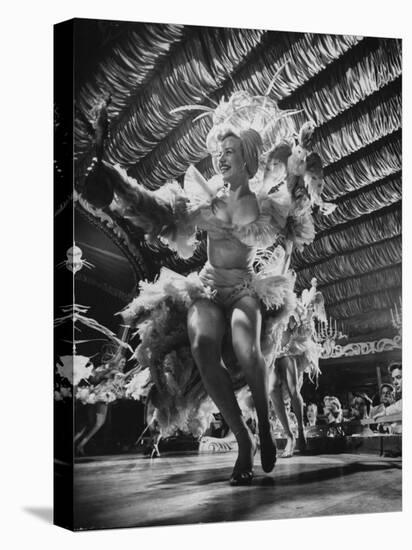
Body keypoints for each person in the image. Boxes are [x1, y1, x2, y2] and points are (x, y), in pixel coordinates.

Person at [92, 90, 330, 485]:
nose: (221, 157)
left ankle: (268, 430)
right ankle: (244, 439)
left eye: (230, 150)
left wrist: (301, 161)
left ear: (247, 158)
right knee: (202, 345)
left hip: (242, 289)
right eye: (219, 150)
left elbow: (297, 200)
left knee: (245, 345)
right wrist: (105, 161)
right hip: (205, 288)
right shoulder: (202, 197)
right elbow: (150, 206)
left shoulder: (266, 205)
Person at [269, 279, 326, 457]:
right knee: (272, 391)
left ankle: (300, 431)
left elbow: (300, 325)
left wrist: (305, 314)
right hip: (270, 352)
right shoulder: (265, 303)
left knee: (293, 388)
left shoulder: (291, 304)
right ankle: (289, 435)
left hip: (288, 350)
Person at [75, 356, 127, 455]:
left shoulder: (109, 371)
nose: (123, 364)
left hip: (95, 396)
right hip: (102, 397)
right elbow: (116, 387)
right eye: (122, 362)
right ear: (117, 362)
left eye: (124, 362)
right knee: (98, 423)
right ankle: (80, 445)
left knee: (90, 424)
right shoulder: (116, 372)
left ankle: (78, 443)